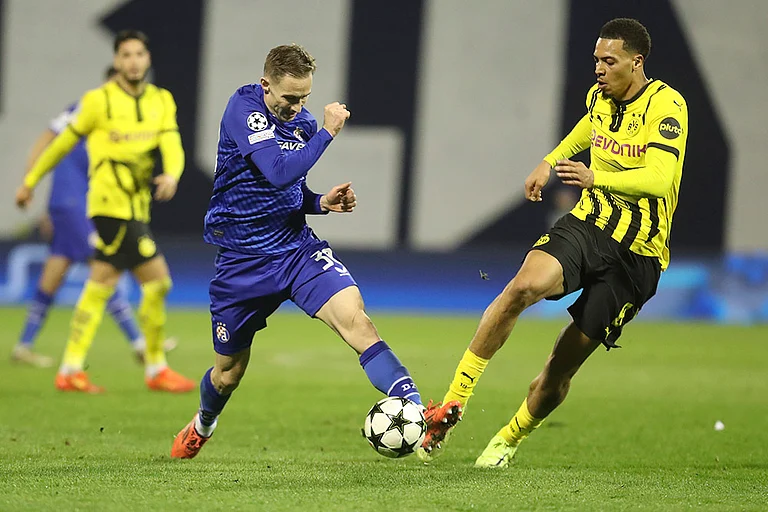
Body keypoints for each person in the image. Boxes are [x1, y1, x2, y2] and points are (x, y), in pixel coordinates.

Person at [417, 18, 688, 466]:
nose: (599, 69)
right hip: (589, 223)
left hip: (637, 255)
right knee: (522, 286)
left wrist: (594, 174)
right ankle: (452, 403)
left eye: (610, 60)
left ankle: (510, 436)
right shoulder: (600, 98)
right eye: (596, 59)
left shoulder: (667, 106)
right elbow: (589, 127)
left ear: (636, 63)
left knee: (560, 368)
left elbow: (660, 179)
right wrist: (551, 160)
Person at [170, 43, 461, 459]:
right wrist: (327, 133)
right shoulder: (243, 109)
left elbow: (289, 190)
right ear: (266, 84)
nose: (297, 106)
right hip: (242, 263)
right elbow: (276, 171)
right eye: (290, 98)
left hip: (295, 251)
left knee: (356, 321)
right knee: (228, 373)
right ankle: (203, 424)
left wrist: (320, 202)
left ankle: (418, 410)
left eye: (304, 97)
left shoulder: (302, 122)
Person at [15, 30, 194, 393]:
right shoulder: (96, 101)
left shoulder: (162, 100)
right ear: (116, 61)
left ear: (147, 59)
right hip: (110, 208)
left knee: (100, 283)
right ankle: (155, 366)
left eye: (139, 54)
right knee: (158, 282)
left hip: (138, 208)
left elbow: (172, 142)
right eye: (125, 54)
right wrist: (30, 180)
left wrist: (172, 174)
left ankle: (70, 368)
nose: (133, 61)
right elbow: (61, 143)